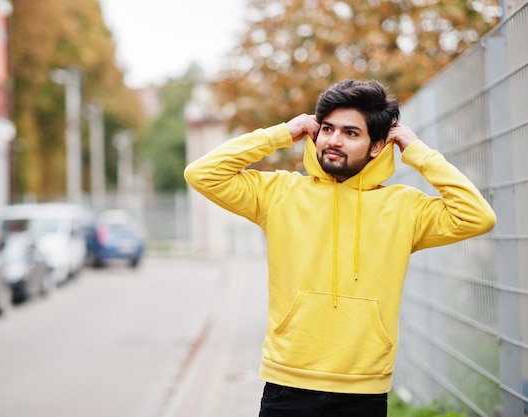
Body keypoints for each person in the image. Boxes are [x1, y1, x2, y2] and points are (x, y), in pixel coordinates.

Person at [184, 79, 496, 417]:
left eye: (350, 133)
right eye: (328, 129)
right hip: (287, 384)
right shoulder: (278, 193)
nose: (333, 140)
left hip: (362, 391)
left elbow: (477, 216)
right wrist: (281, 134)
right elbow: (202, 173)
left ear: (377, 146)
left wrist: (417, 152)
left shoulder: (405, 208)